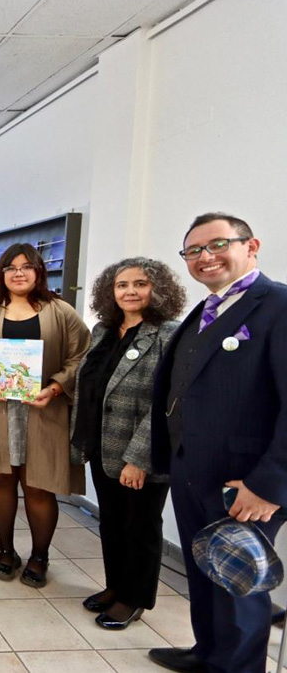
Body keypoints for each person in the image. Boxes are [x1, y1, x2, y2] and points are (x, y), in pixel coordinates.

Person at [148, 213, 287, 673]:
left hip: (245, 481)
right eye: (193, 251)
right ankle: (207, 652)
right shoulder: (207, 309)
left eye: (217, 245)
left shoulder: (278, 305)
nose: (204, 257)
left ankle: (239, 667)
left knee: (240, 583)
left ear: (252, 246)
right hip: (194, 470)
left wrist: (269, 484)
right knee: (206, 571)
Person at [0, 243, 90, 587]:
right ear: (1, 274)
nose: (18, 273)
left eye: (26, 266)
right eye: (10, 267)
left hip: (43, 411)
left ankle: (40, 556)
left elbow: (82, 357)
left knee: (39, 486)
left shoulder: (60, 311)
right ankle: (5, 550)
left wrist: (56, 387)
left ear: (39, 271)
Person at [70, 258, 186, 629]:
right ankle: (115, 586)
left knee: (141, 527)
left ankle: (134, 598)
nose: (130, 291)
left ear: (158, 289)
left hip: (141, 455)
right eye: (122, 285)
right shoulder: (104, 329)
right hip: (103, 446)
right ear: (111, 291)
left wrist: (140, 458)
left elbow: (169, 402)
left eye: (140, 284)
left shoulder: (169, 334)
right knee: (113, 523)